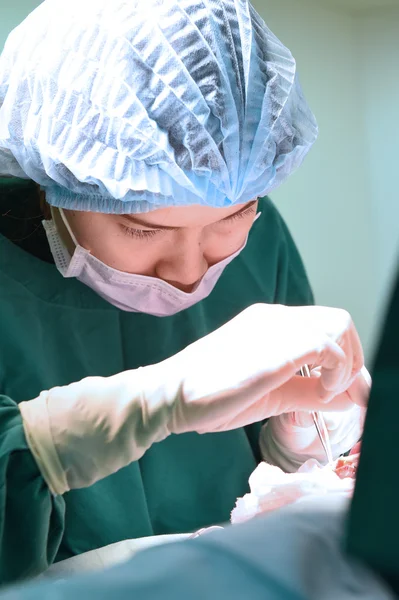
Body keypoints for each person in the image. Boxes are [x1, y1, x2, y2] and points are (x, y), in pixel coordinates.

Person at [0, 0, 368, 585]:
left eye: (231, 220)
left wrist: (295, 449)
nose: (190, 270)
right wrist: (116, 417)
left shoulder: (261, 236)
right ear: (55, 183)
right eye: (142, 229)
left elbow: (277, 462)